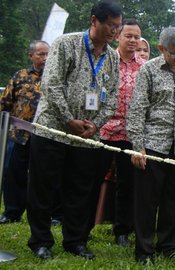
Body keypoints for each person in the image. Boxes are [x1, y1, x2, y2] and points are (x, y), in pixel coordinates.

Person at [26, 0, 122, 260]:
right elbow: (51, 84)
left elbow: (112, 97)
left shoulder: (112, 56)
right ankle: (40, 241)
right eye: (109, 26)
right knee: (43, 188)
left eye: (117, 26)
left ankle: (75, 240)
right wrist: (69, 119)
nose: (114, 32)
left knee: (80, 191)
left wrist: (96, 124)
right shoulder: (66, 44)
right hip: (52, 130)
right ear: (93, 21)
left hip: (86, 137)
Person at [127, 26, 175, 264]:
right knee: (147, 202)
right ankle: (144, 250)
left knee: (174, 201)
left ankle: (168, 247)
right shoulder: (148, 70)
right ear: (161, 49)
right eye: (174, 53)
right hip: (153, 146)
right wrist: (137, 145)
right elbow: (137, 109)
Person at [97, 18, 145, 247]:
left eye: (137, 36)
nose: (133, 40)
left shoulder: (144, 67)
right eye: (129, 36)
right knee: (91, 179)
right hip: (103, 130)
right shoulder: (106, 60)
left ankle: (122, 231)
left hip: (131, 134)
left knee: (128, 184)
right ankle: (81, 227)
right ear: (118, 36)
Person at [0, 40, 48, 225]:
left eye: (47, 54)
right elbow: (5, 102)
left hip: (43, 136)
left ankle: (44, 214)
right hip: (18, 135)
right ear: (31, 56)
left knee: (42, 176)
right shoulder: (20, 76)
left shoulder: (54, 77)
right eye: (40, 54)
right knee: (13, 173)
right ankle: (12, 212)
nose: (44, 58)